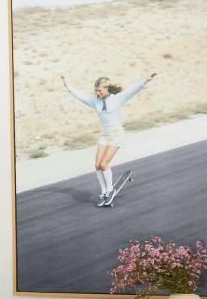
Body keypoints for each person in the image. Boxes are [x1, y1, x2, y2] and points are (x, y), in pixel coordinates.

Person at [60, 72, 157, 206]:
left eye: (99, 90)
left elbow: (132, 91)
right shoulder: (95, 101)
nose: (97, 93)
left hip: (116, 134)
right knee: (97, 165)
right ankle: (105, 191)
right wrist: (67, 86)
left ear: (106, 88)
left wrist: (145, 81)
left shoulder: (117, 98)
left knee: (104, 164)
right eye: (96, 91)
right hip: (105, 135)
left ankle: (110, 190)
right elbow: (81, 97)